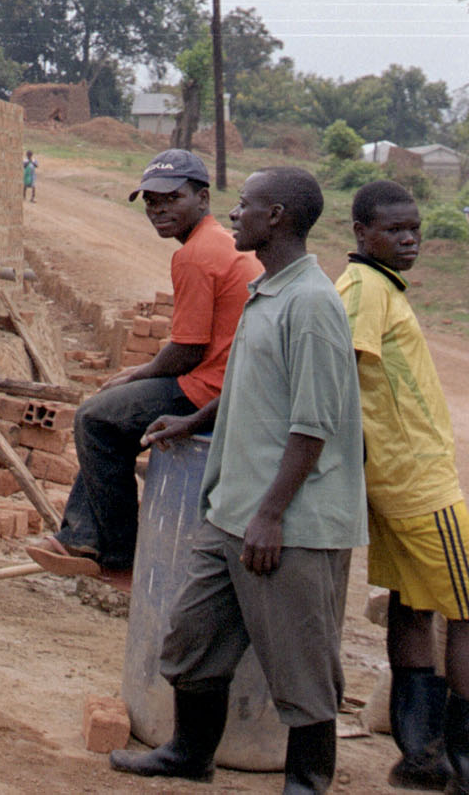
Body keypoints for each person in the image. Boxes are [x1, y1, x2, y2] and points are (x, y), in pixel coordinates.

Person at [114, 167, 365, 794]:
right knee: (193, 641)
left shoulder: (311, 304)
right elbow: (247, 390)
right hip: (232, 511)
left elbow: (313, 425)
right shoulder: (268, 291)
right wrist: (192, 419)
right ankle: (190, 754)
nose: (233, 214)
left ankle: (306, 784)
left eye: (245, 205)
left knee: (302, 669)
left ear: (276, 216)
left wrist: (272, 514)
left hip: (289, 524)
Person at [28, 149, 260, 585]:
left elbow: (189, 350)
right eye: (151, 202)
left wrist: (137, 372)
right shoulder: (218, 243)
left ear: (203, 198)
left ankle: (117, 557)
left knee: (96, 419)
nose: (159, 210)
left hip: (211, 386)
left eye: (171, 199)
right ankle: (80, 535)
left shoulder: (196, 254)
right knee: (111, 412)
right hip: (225, 376)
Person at [335, 180, 469, 789]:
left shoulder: (374, 285)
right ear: (361, 234)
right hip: (418, 483)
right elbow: (342, 370)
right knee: (466, 613)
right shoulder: (364, 288)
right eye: (395, 230)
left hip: (392, 480)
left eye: (415, 228)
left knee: (415, 609)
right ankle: (461, 759)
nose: (410, 238)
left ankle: (421, 759)